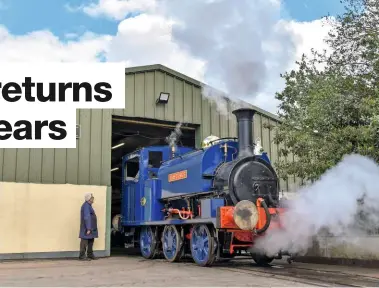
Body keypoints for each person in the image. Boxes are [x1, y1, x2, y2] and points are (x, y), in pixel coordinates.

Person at [79, 192, 98, 261]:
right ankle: (82, 256)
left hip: (91, 228)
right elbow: (87, 217)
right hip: (87, 228)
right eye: (92, 198)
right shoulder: (86, 206)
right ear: (88, 199)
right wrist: (88, 228)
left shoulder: (89, 205)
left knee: (90, 240)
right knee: (84, 241)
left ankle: (90, 254)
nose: (93, 199)